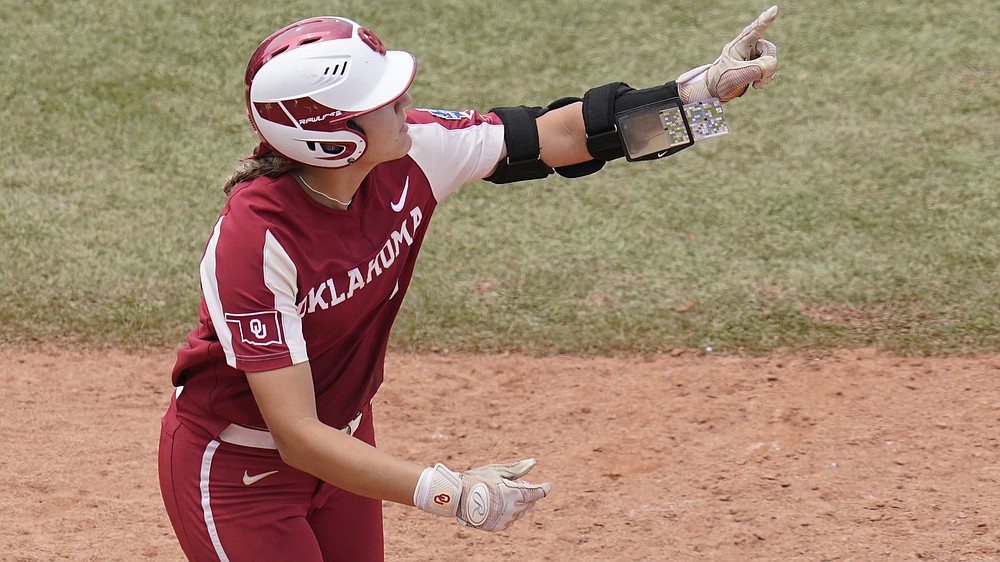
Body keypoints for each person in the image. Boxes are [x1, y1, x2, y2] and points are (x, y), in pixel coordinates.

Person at [157, 7, 780, 561]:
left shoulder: (410, 153)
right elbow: (295, 436)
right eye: (384, 102)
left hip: (345, 443)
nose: (407, 105)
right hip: (241, 473)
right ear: (332, 137)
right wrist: (451, 492)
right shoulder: (257, 243)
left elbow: (550, 137)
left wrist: (698, 97)